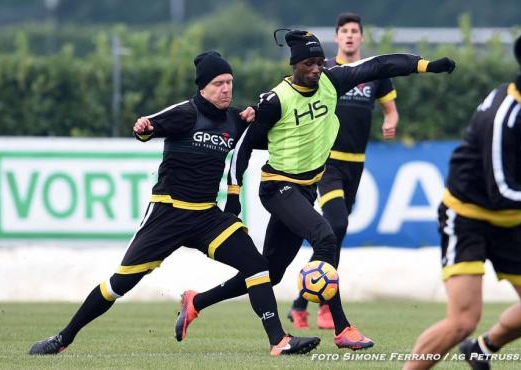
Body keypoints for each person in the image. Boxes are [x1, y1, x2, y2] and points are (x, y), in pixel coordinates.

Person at [29, 51, 320, 357]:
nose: (226, 89)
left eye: (230, 82)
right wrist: (143, 127)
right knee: (118, 285)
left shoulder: (235, 120)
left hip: (206, 216)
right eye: (219, 83)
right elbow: (148, 127)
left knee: (257, 266)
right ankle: (62, 338)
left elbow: (265, 132)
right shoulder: (186, 113)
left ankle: (279, 341)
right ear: (203, 88)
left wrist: (255, 118)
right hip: (168, 214)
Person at [177, 30, 455, 351]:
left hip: (305, 190)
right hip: (278, 187)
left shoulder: (331, 81)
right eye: (309, 63)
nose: (316, 69)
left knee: (271, 273)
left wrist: (426, 66)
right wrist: (234, 194)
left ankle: (197, 301)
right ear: (294, 65)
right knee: (325, 236)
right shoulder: (274, 100)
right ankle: (342, 328)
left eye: (319, 62)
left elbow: (380, 65)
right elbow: (243, 148)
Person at [403, 29, 521, 370]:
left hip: (508, 221)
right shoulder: (505, 114)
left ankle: (482, 350)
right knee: (462, 320)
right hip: (467, 217)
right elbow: (500, 191)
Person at [288, 12, 400, 330]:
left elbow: (391, 110)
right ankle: (325, 305)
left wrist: (390, 121)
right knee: (335, 223)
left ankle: (300, 303)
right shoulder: (325, 72)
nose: (349, 36)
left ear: (361, 37)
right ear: (337, 37)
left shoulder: (374, 73)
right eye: (344, 31)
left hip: (356, 162)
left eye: (354, 31)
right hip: (329, 162)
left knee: (335, 234)